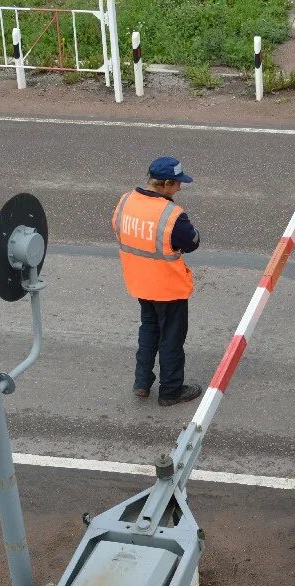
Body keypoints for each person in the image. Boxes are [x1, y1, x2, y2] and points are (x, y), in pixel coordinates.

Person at [113, 155, 202, 407]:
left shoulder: (126, 200)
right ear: (163, 184)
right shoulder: (171, 214)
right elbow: (191, 241)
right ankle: (170, 391)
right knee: (171, 339)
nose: (179, 188)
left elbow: (119, 229)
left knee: (148, 330)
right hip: (168, 287)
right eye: (176, 184)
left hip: (140, 282)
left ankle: (142, 382)